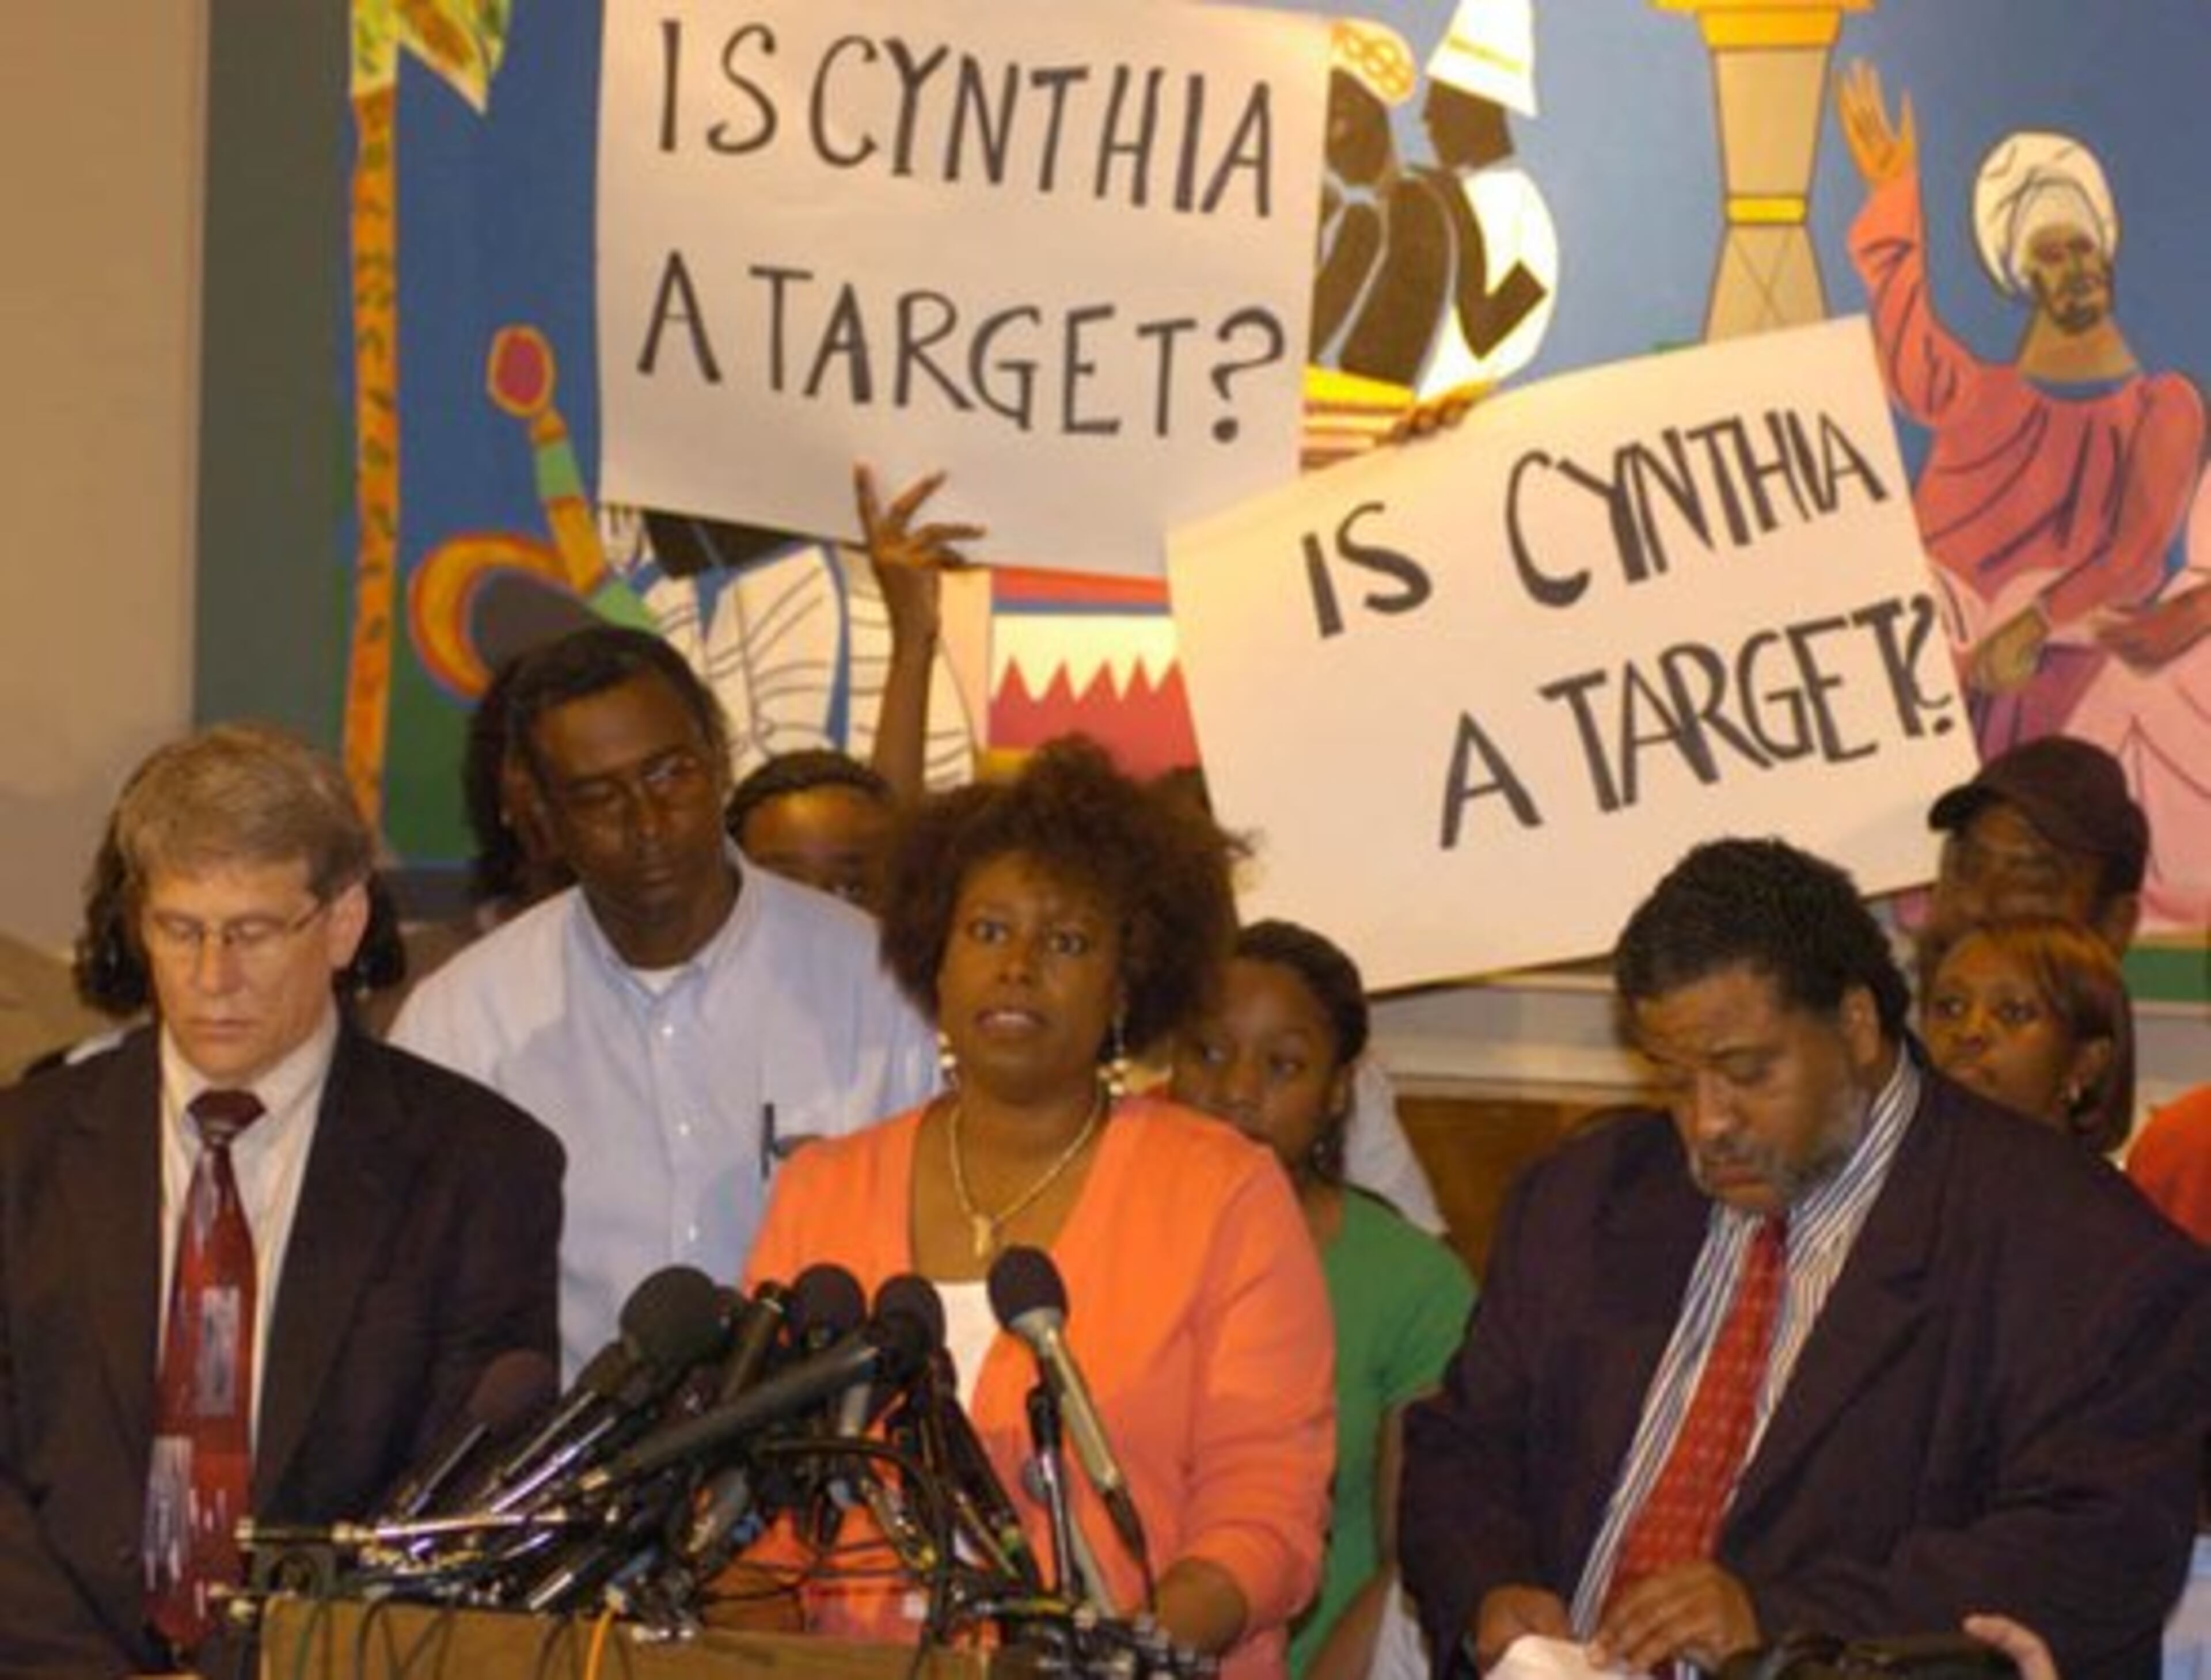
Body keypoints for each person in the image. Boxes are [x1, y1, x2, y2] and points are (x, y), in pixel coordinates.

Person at [1399, 837, 2209, 1679]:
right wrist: (1493, 1588)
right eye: (1674, 1080)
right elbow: (1462, 1443)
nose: (1707, 1123)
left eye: (1745, 1072)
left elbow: (2094, 1555)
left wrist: (1778, 1619)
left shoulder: (2082, 1251)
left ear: (1857, 1026)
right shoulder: (1583, 1196)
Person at [741, 738, 1334, 1680]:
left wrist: (1119, 1652)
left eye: (1064, 941)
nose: (1016, 965)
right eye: (986, 931)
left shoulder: (1222, 1190)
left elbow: (1267, 1500)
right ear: (936, 960)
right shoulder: (824, 1188)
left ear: (1126, 984)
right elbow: (762, 1500)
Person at [0, 723, 563, 1676]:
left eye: (253, 931)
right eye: (180, 929)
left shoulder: (478, 1165)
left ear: (341, 923)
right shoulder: (27, 1145)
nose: (211, 976)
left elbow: (461, 1492)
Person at [391, 626, 937, 1377]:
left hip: (825, 1464)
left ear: (718, 760)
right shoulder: (461, 1019)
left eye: (669, 775)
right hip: (569, 1471)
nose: (646, 824)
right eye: (598, 796)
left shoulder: (875, 980)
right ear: (543, 819)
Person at [1838, 62, 2210, 930]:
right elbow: (1908, 349)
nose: (2074, 265)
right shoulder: (1983, 396)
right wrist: (1893, 192)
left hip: (2073, 655)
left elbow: (2127, 554)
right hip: (1962, 661)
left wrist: (2034, 625)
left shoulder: (2162, 408)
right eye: (2051, 250)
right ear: (2022, 273)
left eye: (2083, 246)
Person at [1171, 919, 1474, 1680]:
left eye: (1284, 1065)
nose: (1237, 1091)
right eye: (1208, 1051)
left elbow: (1420, 1558)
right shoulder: (1087, 1237)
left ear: (1338, 1089)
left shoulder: (1413, 1282)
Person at [1920, 916, 2133, 1156]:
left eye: (2012, 1013)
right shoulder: (1891, 1178)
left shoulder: (2087, 1193)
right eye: (1951, 1007)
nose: (1970, 1032)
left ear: (2085, 1063)